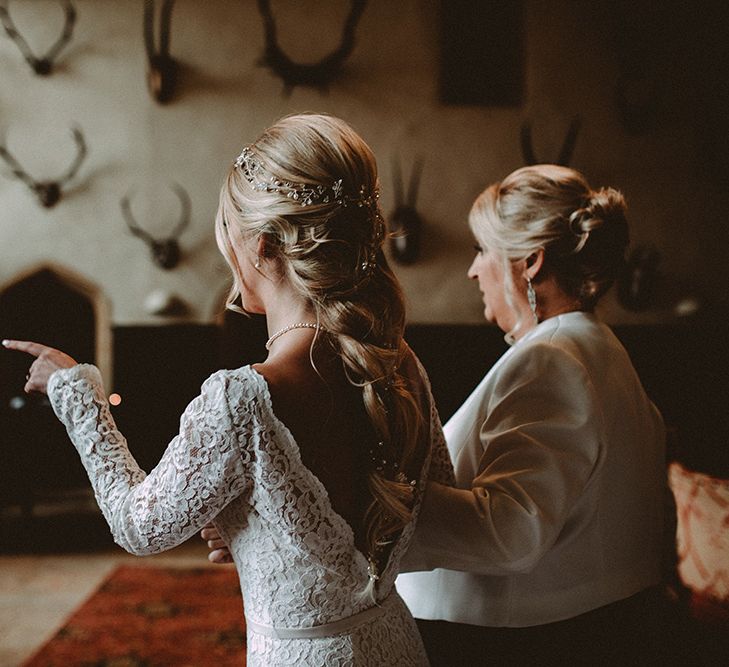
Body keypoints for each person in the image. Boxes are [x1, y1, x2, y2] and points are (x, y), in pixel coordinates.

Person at [2, 113, 455, 666]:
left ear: (262, 246)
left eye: (226, 231)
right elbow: (430, 501)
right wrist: (256, 531)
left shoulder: (244, 399)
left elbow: (138, 527)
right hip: (396, 644)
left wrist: (76, 395)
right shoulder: (399, 361)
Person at [395, 164, 668, 665]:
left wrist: (373, 509)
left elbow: (510, 530)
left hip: (520, 643)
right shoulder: (597, 346)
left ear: (531, 263)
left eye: (483, 250)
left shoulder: (552, 360)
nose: (474, 270)